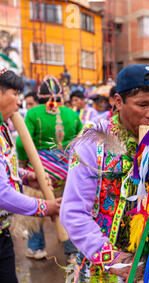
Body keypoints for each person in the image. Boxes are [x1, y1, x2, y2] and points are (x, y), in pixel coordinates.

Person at [60, 64, 149, 283]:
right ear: (117, 101)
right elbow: (73, 212)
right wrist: (111, 258)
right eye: (142, 105)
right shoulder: (92, 142)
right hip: (103, 266)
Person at [0, 68, 60, 283]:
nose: (19, 102)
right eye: (14, 94)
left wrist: (26, 176)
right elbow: (2, 193)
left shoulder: (4, 128)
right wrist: (44, 207)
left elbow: (6, 166)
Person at [15, 75, 82, 262]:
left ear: (40, 96)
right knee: (67, 208)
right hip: (67, 170)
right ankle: (72, 251)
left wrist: (22, 162)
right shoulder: (71, 114)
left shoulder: (33, 113)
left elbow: (21, 142)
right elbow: (81, 139)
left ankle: (36, 249)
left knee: (35, 210)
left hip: (40, 171)